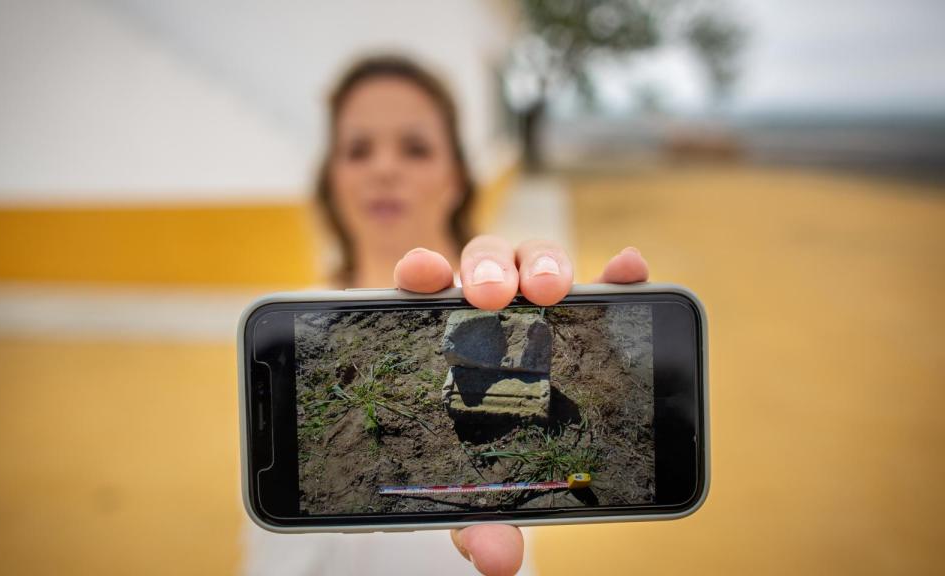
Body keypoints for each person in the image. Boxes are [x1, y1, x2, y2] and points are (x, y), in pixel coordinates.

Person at [244, 55, 649, 576]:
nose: (384, 168)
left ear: (456, 176)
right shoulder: (285, 333)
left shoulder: (509, 308)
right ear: (331, 179)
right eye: (358, 149)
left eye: (415, 148)